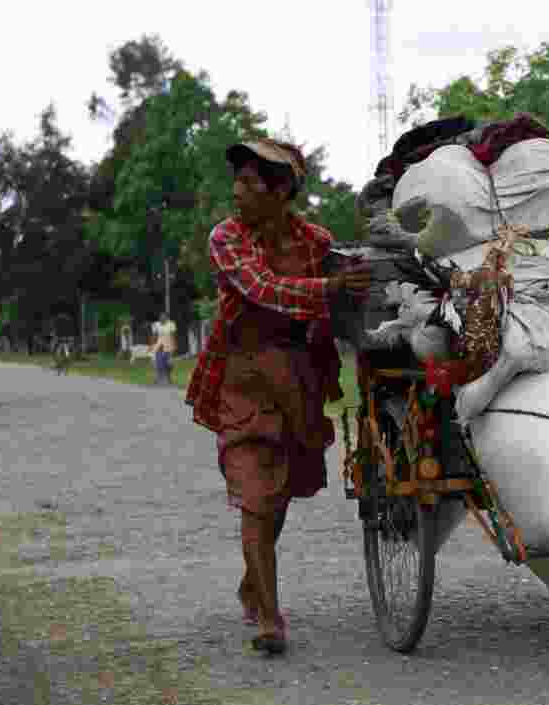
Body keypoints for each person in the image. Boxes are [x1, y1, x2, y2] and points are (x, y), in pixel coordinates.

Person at [184, 138, 372, 655]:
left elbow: (346, 299)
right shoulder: (226, 238)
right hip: (242, 376)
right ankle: (269, 618)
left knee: (282, 489)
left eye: (250, 182)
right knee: (255, 494)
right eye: (238, 180)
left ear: (282, 189)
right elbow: (262, 288)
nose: (237, 191)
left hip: (300, 376)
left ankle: (252, 582)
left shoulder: (316, 240)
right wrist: (330, 288)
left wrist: (359, 288)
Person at [150, 312, 177, 384]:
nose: (162, 318)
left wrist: (174, 345)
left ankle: (168, 377)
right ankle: (157, 378)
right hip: (159, 345)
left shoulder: (171, 324)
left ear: (167, 318)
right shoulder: (156, 325)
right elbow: (154, 336)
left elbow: (173, 336)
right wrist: (152, 345)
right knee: (158, 362)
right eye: (161, 317)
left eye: (164, 317)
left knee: (169, 363)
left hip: (168, 344)